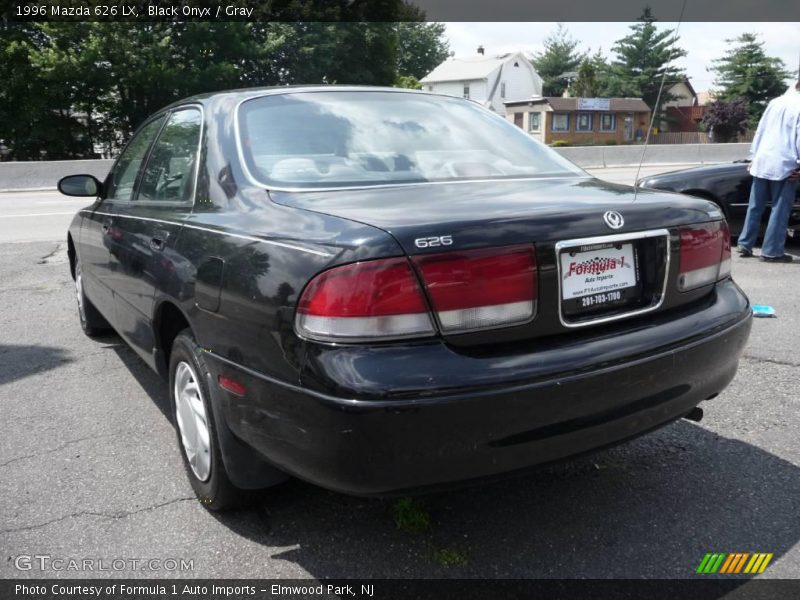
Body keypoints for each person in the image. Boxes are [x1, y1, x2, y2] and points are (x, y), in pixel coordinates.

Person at [736, 80, 800, 263]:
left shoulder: (775, 102)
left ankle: (745, 244)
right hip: (785, 164)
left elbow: (761, 130)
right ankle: (772, 251)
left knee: (755, 206)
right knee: (780, 209)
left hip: (762, 160)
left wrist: (754, 156)